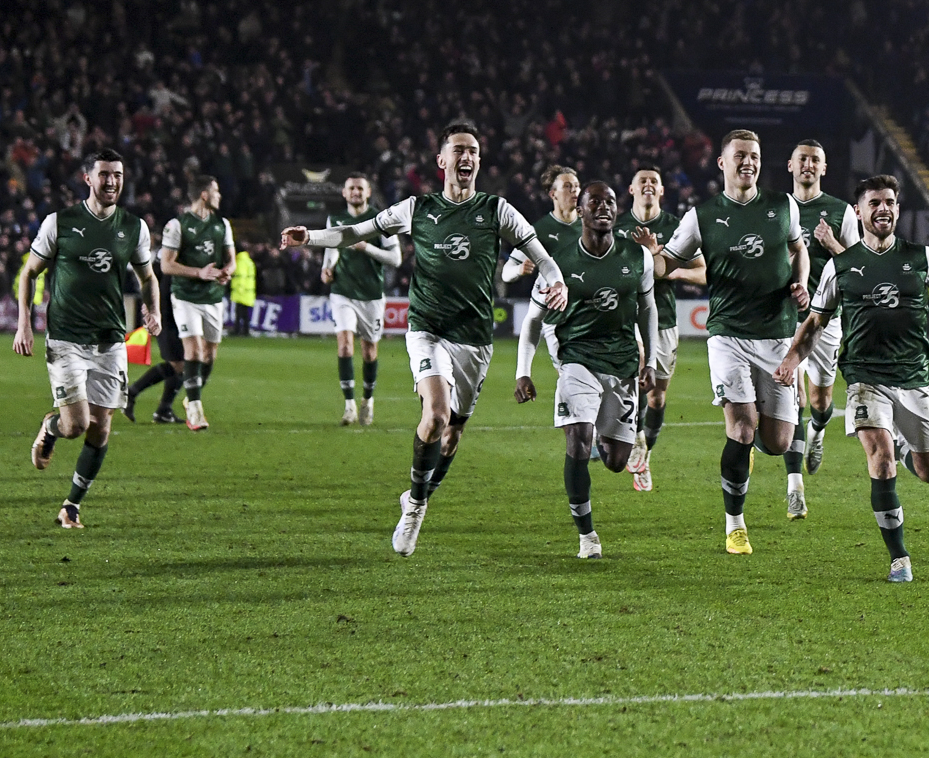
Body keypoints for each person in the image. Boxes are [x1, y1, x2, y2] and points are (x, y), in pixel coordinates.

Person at [282, 120, 567, 555]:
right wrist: (312, 236)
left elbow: (541, 256)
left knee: (452, 435)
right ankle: (415, 507)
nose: (467, 157)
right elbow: (358, 231)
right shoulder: (417, 208)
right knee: (435, 415)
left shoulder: (497, 210)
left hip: (474, 339)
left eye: (473, 150)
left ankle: (421, 494)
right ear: (442, 161)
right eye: (458, 150)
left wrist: (557, 280)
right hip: (427, 329)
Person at [774, 175, 929, 582]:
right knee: (879, 458)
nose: (883, 209)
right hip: (865, 377)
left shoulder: (922, 258)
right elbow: (815, 322)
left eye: (890, 203)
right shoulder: (840, 266)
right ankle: (899, 557)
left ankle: (906, 449)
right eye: (874, 203)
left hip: (913, 376)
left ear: (897, 210)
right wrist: (793, 358)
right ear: (860, 212)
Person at [646, 129, 809, 554]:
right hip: (728, 335)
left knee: (777, 442)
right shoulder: (702, 216)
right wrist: (652, 253)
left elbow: (799, 249)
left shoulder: (782, 205)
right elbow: (668, 263)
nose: (748, 162)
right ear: (723, 163)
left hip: (776, 334)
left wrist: (801, 282)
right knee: (740, 428)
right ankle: (734, 525)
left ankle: (752, 445)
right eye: (739, 155)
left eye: (754, 155)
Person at [13, 149, 163, 529]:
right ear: (88, 179)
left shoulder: (134, 227)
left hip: (110, 339)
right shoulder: (60, 223)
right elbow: (30, 273)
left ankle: (71, 505)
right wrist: (24, 324)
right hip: (65, 337)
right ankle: (52, 428)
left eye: (118, 175)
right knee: (77, 424)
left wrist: (154, 310)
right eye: (105, 175)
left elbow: (147, 277)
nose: (112, 181)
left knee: (102, 426)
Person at [513, 182, 658, 558]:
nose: (604, 207)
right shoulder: (557, 262)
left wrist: (651, 361)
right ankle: (587, 536)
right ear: (580, 211)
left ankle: (607, 434)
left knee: (615, 462)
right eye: (595, 202)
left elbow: (648, 310)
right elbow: (532, 320)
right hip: (576, 360)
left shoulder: (637, 257)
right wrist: (522, 371)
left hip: (623, 364)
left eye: (610, 201)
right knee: (577, 440)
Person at [784, 139, 860, 515]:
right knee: (792, 398)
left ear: (824, 168)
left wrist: (832, 244)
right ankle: (794, 485)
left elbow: (861, 265)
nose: (809, 165)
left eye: (815, 160)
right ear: (790, 166)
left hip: (825, 319)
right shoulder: (777, 208)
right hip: (783, 318)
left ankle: (818, 431)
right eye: (803, 160)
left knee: (819, 402)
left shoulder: (841, 212)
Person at [614, 165, 694, 493]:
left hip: (664, 319)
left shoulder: (675, 227)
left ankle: (645, 453)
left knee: (658, 397)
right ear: (631, 189)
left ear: (662, 190)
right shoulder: (616, 226)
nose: (648, 185)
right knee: (635, 371)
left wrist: (666, 268)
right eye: (642, 181)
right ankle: (632, 437)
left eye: (654, 182)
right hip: (623, 317)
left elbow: (703, 273)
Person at [320, 172, 401, 425]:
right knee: (344, 344)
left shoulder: (381, 220)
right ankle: (349, 405)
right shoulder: (335, 219)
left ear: (368, 193)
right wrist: (327, 269)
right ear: (344, 193)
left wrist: (366, 247)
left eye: (360, 188)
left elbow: (396, 259)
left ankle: (368, 399)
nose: (355, 192)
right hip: (342, 291)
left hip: (371, 295)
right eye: (351, 188)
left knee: (369, 351)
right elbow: (331, 250)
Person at [157, 174, 234, 431]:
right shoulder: (177, 225)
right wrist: (197, 272)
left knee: (210, 353)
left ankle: (191, 399)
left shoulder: (222, 224)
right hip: (185, 296)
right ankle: (196, 408)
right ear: (204, 194)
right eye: (216, 191)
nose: (219, 195)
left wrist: (227, 272)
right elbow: (166, 265)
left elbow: (230, 259)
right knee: (195, 351)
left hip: (212, 297)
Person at [500, 164, 583, 373]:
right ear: (553, 194)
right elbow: (506, 272)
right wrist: (520, 270)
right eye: (567, 186)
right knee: (574, 380)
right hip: (558, 321)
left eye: (576, 186)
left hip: (589, 316)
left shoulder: (590, 226)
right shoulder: (539, 231)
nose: (574, 191)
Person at [124, 248, 187, 423]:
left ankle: (163, 410)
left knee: (181, 363)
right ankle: (133, 394)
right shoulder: (167, 265)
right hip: (166, 318)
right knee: (179, 364)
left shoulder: (165, 262)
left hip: (174, 317)